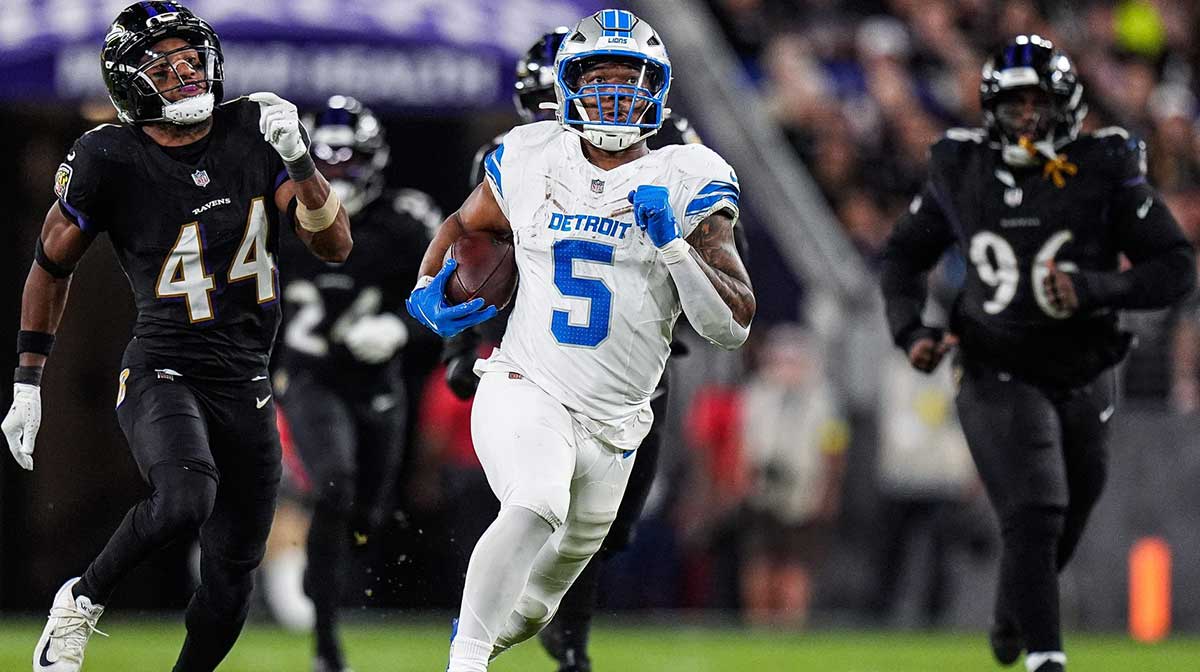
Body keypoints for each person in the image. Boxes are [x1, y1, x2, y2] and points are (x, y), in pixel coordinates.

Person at [1, 3, 352, 671]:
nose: (187, 72)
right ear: (130, 79)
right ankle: (79, 600)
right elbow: (50, 267)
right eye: (165, 63)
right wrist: (28, 381)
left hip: (246, 377)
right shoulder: (107, 155)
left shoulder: (252, 130)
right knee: (187, 496)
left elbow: (332, 243)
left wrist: (301, 160)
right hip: (163, 367)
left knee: (230, 587)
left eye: (192, 58)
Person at [406, 10, 754, 672]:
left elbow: (730, 328)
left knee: (535, 608)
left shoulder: (690, 173)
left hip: (620, 421)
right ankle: (465, 663)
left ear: (660, 90)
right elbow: (465, 221)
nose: (616, 95)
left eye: (632, 80)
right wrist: (426, 288)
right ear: (569, 88)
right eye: (600, 81)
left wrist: (675, 247)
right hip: (527, 384)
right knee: (534, 502)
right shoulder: (530, 154)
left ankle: (478, 637)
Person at [880, 35, 1196, 672]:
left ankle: (1012, 610)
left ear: (1068, 106)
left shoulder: (1104, 165)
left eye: (1039, 104)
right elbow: (902, 256)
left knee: (1072, 510)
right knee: (1038, 504)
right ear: (993, 107)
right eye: (1016, 105)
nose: (1027, 118)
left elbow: (1176, 265)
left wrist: (1095, 287)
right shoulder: (959, 167)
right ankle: (1046, 657)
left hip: (1085, 366)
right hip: (996, 361)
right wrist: (911, 330)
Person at [273, 96, 436, 672]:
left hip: (375, 382)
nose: (339, 177)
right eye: (329, 164)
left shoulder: (405, 222)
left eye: (351, 163)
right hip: (309, 376)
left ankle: (335, 582)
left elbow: (455, 296)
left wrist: (401, 325)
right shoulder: (278, 220)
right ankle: (325, 638)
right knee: (334, 484)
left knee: (368, 513)